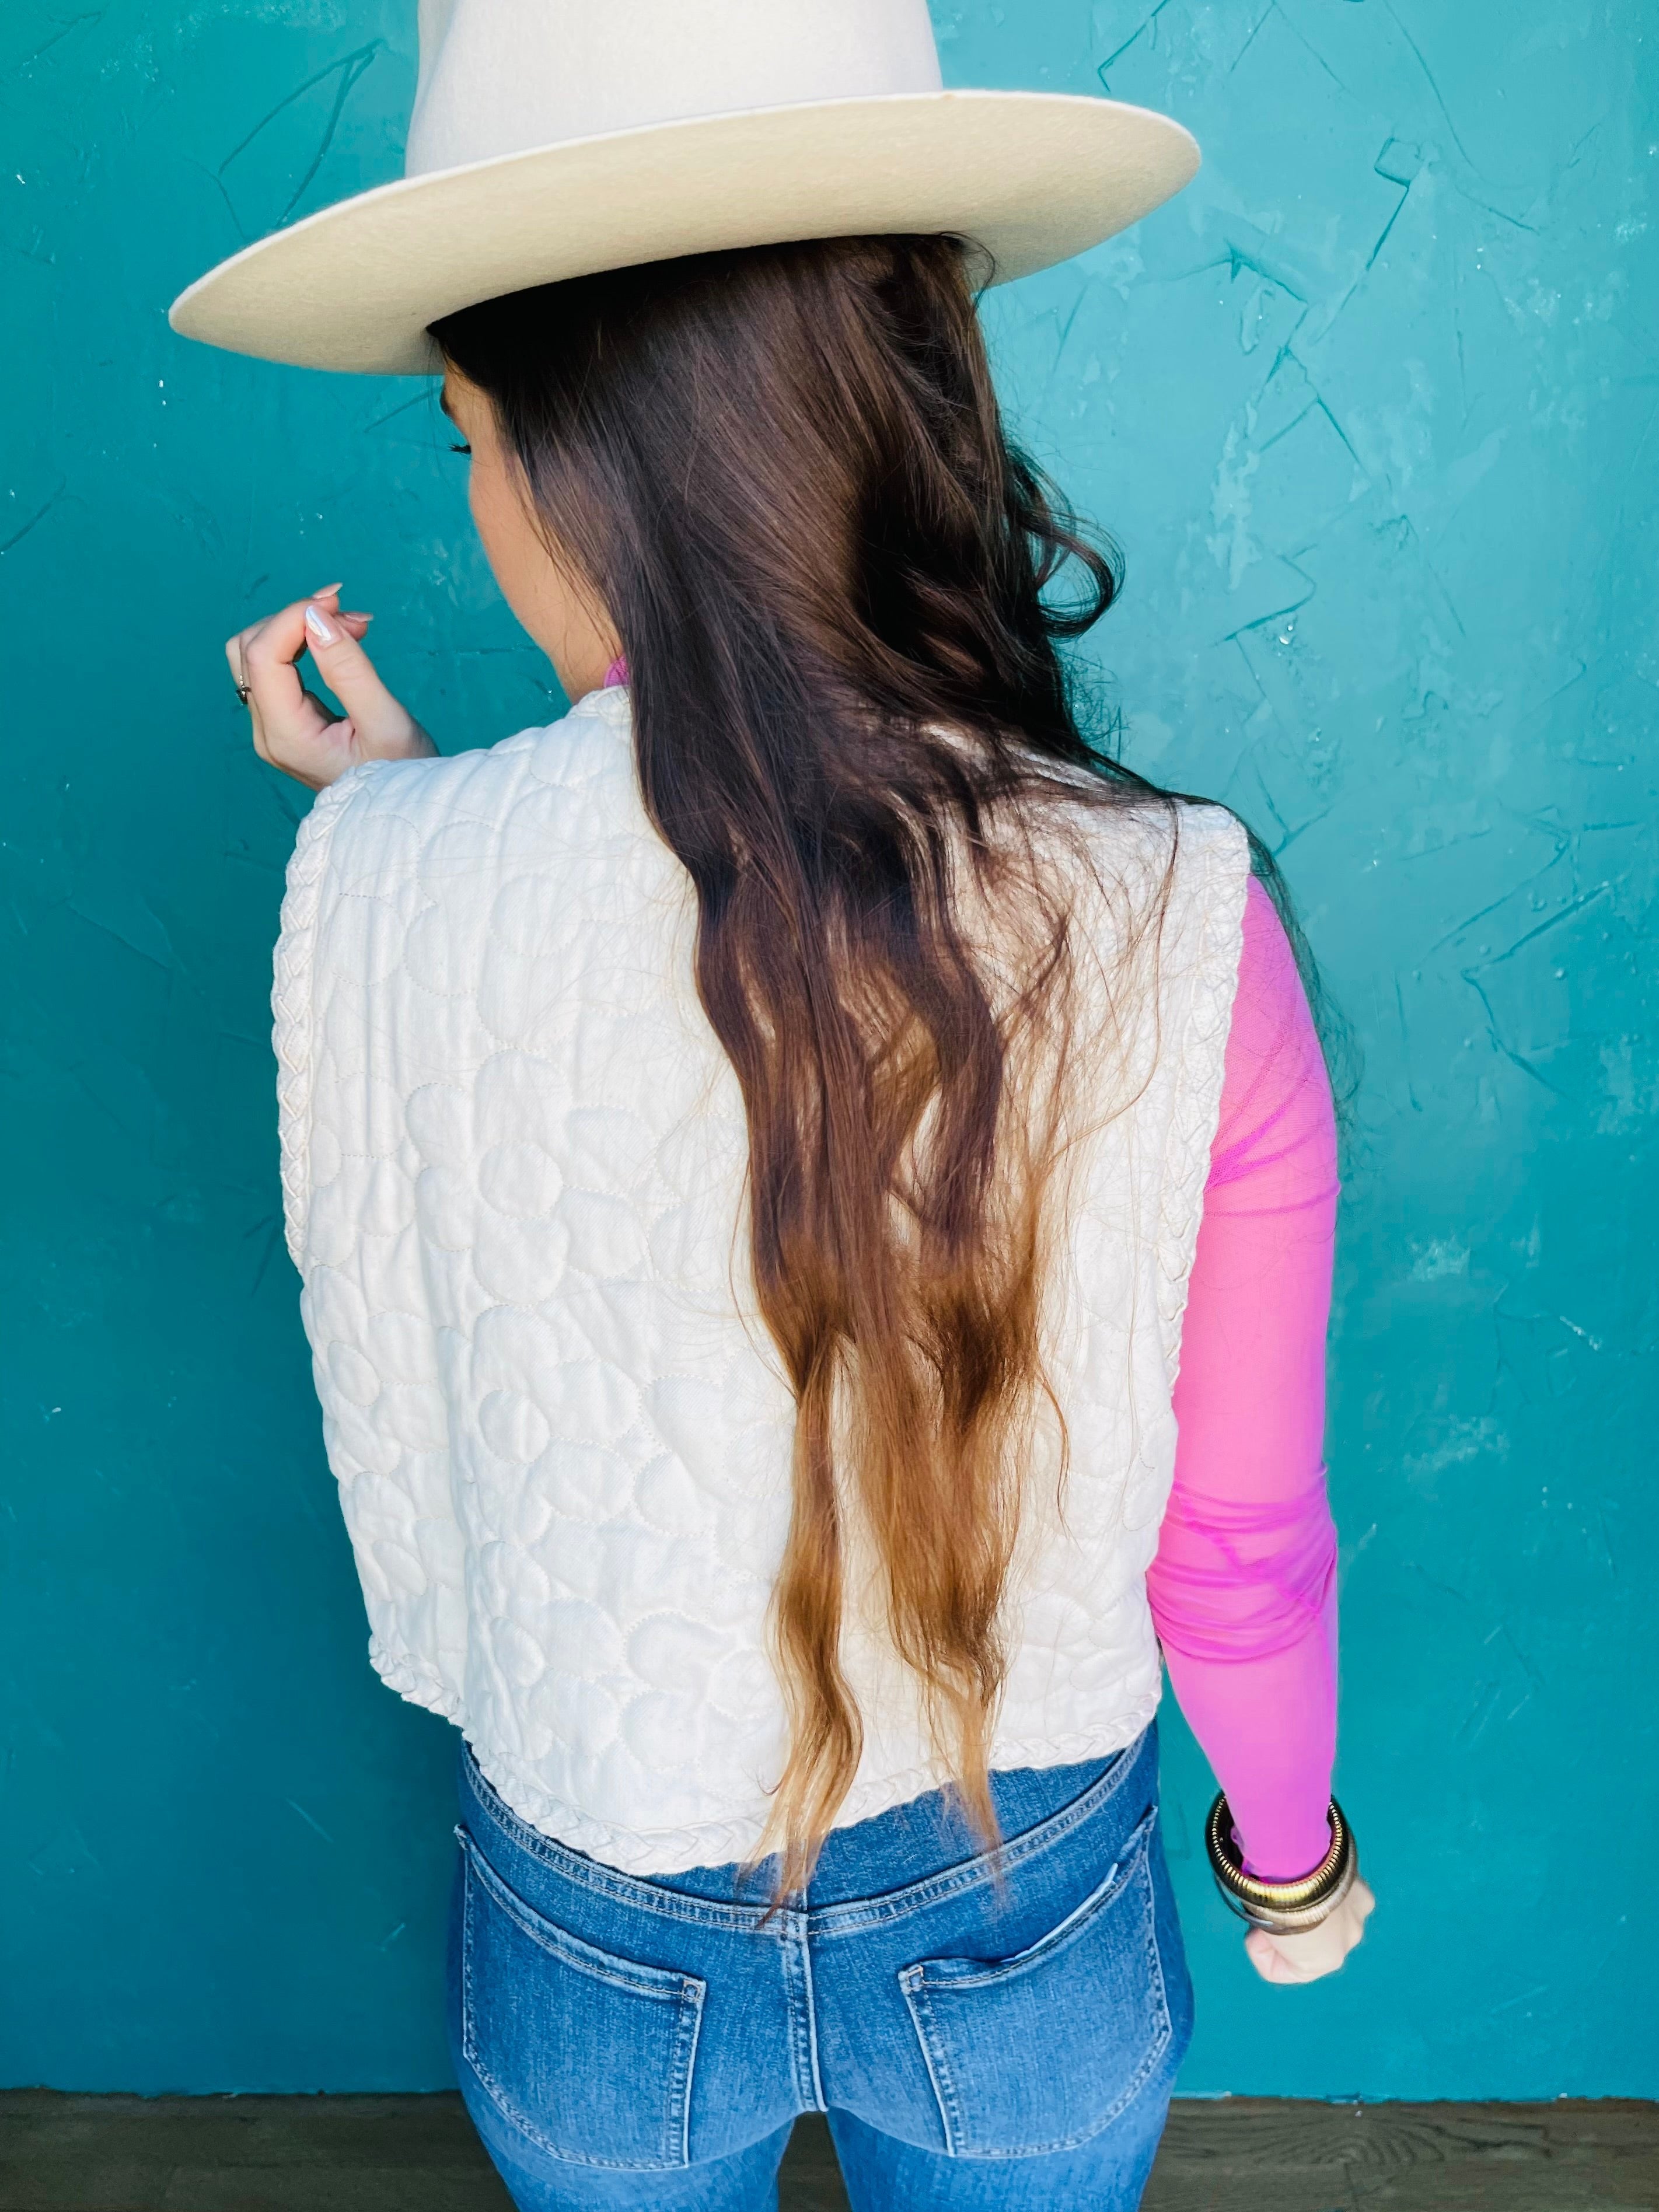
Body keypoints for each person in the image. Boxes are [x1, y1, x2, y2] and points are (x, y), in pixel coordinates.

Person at [176, 3, 1372, 2205]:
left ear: (576, 454)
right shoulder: (1172, 908)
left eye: (464, 440)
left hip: (590, 1909)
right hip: (1025, 1894)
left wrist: (386, 823)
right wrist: (1286, 1865)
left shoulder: (382, 893)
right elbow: (1236, 1547)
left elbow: (557, 976)